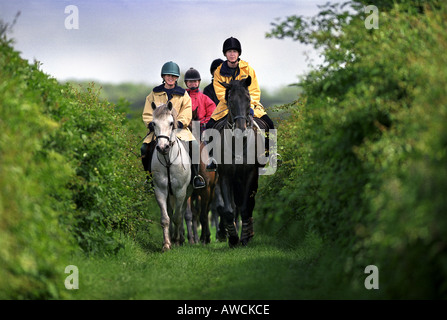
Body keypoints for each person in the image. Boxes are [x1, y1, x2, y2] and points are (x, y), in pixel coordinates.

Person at [205, 37, 280, 171]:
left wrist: (250, 107)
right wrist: (231, 103)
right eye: (229, 51)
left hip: (248, 104)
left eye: (234, 51)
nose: (232, 54)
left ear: (238, 53)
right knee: (210, 126)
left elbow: (255, 90)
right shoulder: (218, 72)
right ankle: (213, 159)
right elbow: (220, 92)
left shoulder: (248, 69)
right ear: (225, 54)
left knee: (269, 123)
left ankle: (271, 153)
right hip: (227, 105)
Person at [141, 61, 205, 189]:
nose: (171, 78)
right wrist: (151, 124)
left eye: (174, 76)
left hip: (179, 130)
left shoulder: (183, 94)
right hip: (159, 132)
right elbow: (148, 112)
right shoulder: (154, 94)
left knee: (195, 146)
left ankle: (195, 177)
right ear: (163, 76)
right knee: (144, 148)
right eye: (168, 75)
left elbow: (187, 111)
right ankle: (149, 178)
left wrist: (180, 122)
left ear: (177, 78)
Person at [184, 67, 216, 135]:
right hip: (184, 128)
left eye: (195, 81)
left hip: (201, 129)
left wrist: (204, 123)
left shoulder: (205, 98)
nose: (193, 83)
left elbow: (212, 113)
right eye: (190, 81)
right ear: (186, 83)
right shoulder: (182, 97)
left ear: (198, 82)